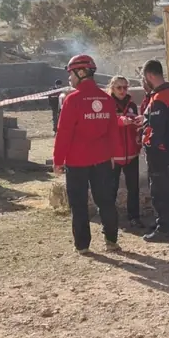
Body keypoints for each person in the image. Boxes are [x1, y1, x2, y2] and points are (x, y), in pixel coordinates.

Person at [52, 54, 121, 256]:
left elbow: (63, 132)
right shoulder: (107, 99)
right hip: (102, 160)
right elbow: (113, 131)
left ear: (81, 73)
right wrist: (113, 154)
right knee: (106, 201)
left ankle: (82, 245)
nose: (70, 79)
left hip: (77, 161)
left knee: (79, 204)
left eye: (71, 74)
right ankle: (111, 240)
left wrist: (58, 161)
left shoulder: (72, 100)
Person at [137, 60, 169, 242]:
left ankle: (164, 229)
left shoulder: (158, 98)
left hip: (160, 152)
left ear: (149, 76)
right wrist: (145, 119)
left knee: (160, 190)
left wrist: (146, 140)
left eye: (143, 78)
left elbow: (155, 131)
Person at [107, 75, 144, 229]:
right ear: (112, 88)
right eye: (119, 87)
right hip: (113, 155)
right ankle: (109, 218)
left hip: (131, 154)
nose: (123, 90)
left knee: (133, 188)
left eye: (125, 87)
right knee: (111, 188)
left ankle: (134, 217)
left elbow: (136, 127)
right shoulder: (106, 104)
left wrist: (137, 122)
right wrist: (120, 121)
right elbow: (104, 124)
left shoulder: (132, 105)